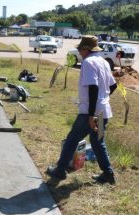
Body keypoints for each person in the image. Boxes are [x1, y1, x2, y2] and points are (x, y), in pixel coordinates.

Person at [46, 35, 118, 185]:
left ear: (86, 49)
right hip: (103, 111)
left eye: (80, 49)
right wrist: (102, 100)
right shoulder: (104, 62)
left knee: (72, 139)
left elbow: (93, 87)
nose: (79, 52)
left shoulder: (88, 62)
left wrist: (91, 115)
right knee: (98, 142)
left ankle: (60, 170)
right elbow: (113, 86)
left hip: (89, 113)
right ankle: (108, 173)